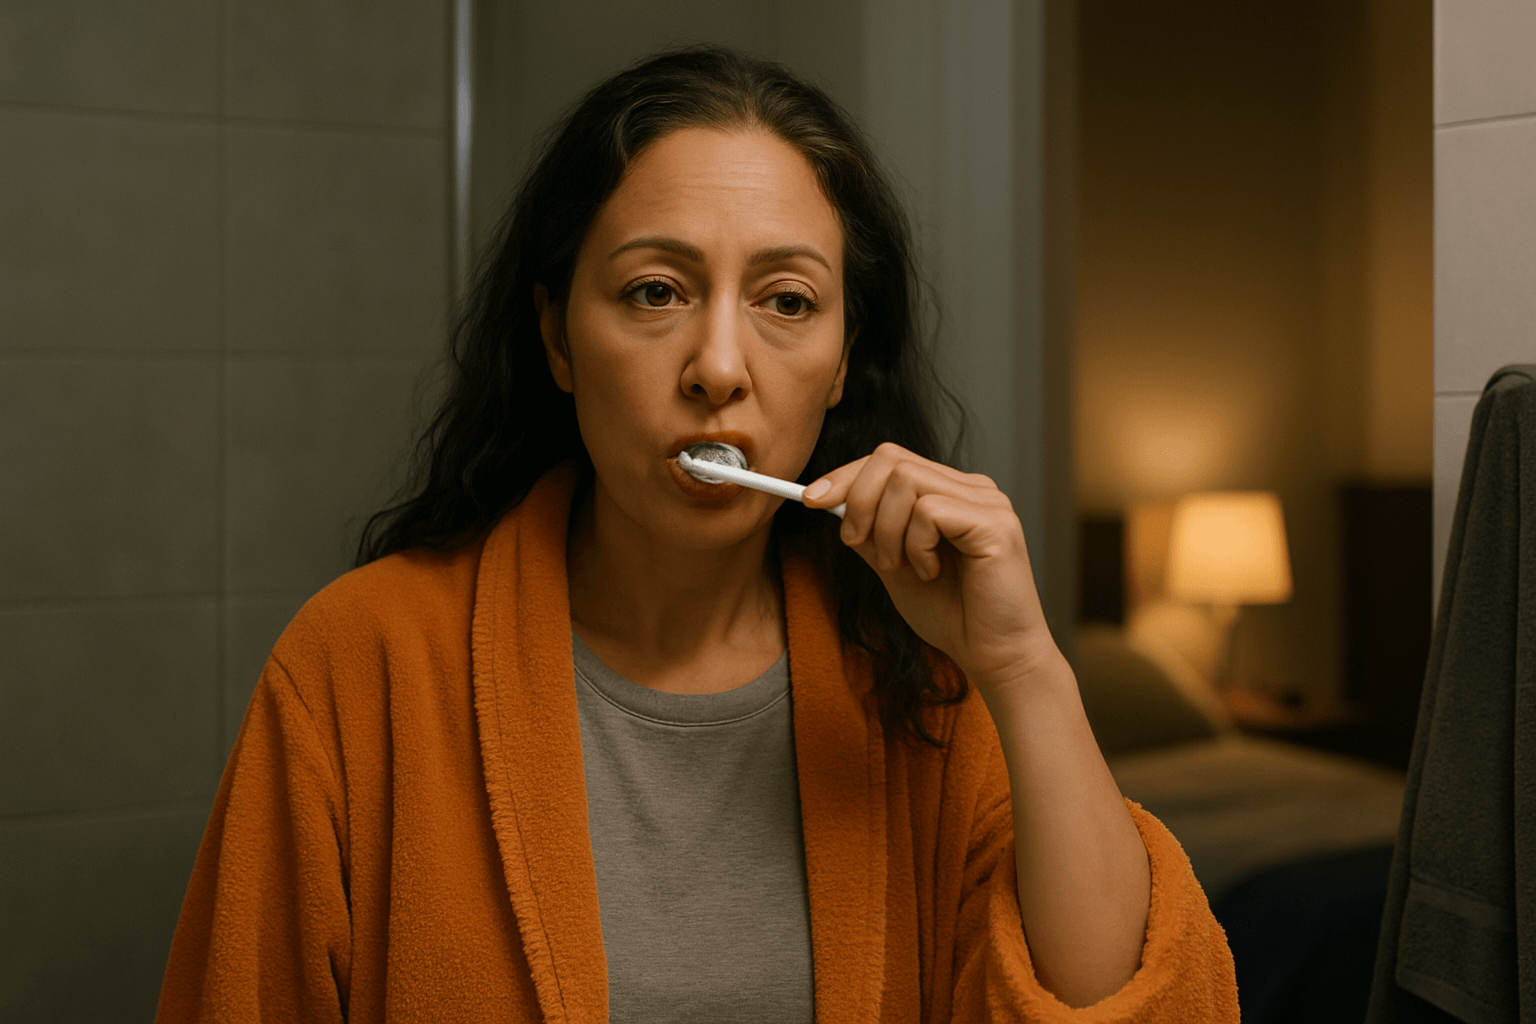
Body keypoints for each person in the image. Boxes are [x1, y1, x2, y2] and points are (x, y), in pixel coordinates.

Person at [156, 46, 1237, 1023]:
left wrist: (1023, 666)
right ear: (558, 338)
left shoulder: (928, 683)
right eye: (656, 290)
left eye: (788, 302)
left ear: (847, 356)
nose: (719, 366)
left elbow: (1132, 1009)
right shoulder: (359, 661)